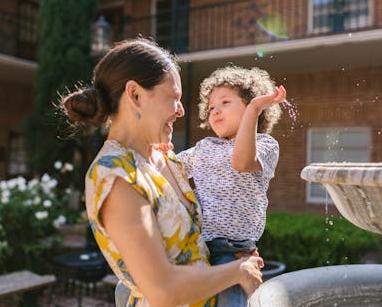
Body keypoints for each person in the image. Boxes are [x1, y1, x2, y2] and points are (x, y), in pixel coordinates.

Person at [61, 38, 264, 307]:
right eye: (174, 98)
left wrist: (233, 251)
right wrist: (239, 271)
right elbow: (162, 290)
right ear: (135, 95)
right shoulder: (115, 176)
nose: (181, 111)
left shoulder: (166, 157)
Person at [176, 66, 286, 307]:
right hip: (197, 244)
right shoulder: (204, 147)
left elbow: (242, 161)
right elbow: (171, 170)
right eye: (211, 107)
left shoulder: (265, 144)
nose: (215, 111)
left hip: (233, 253)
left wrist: (255, 109)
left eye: (225, 102)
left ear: (251, 107)